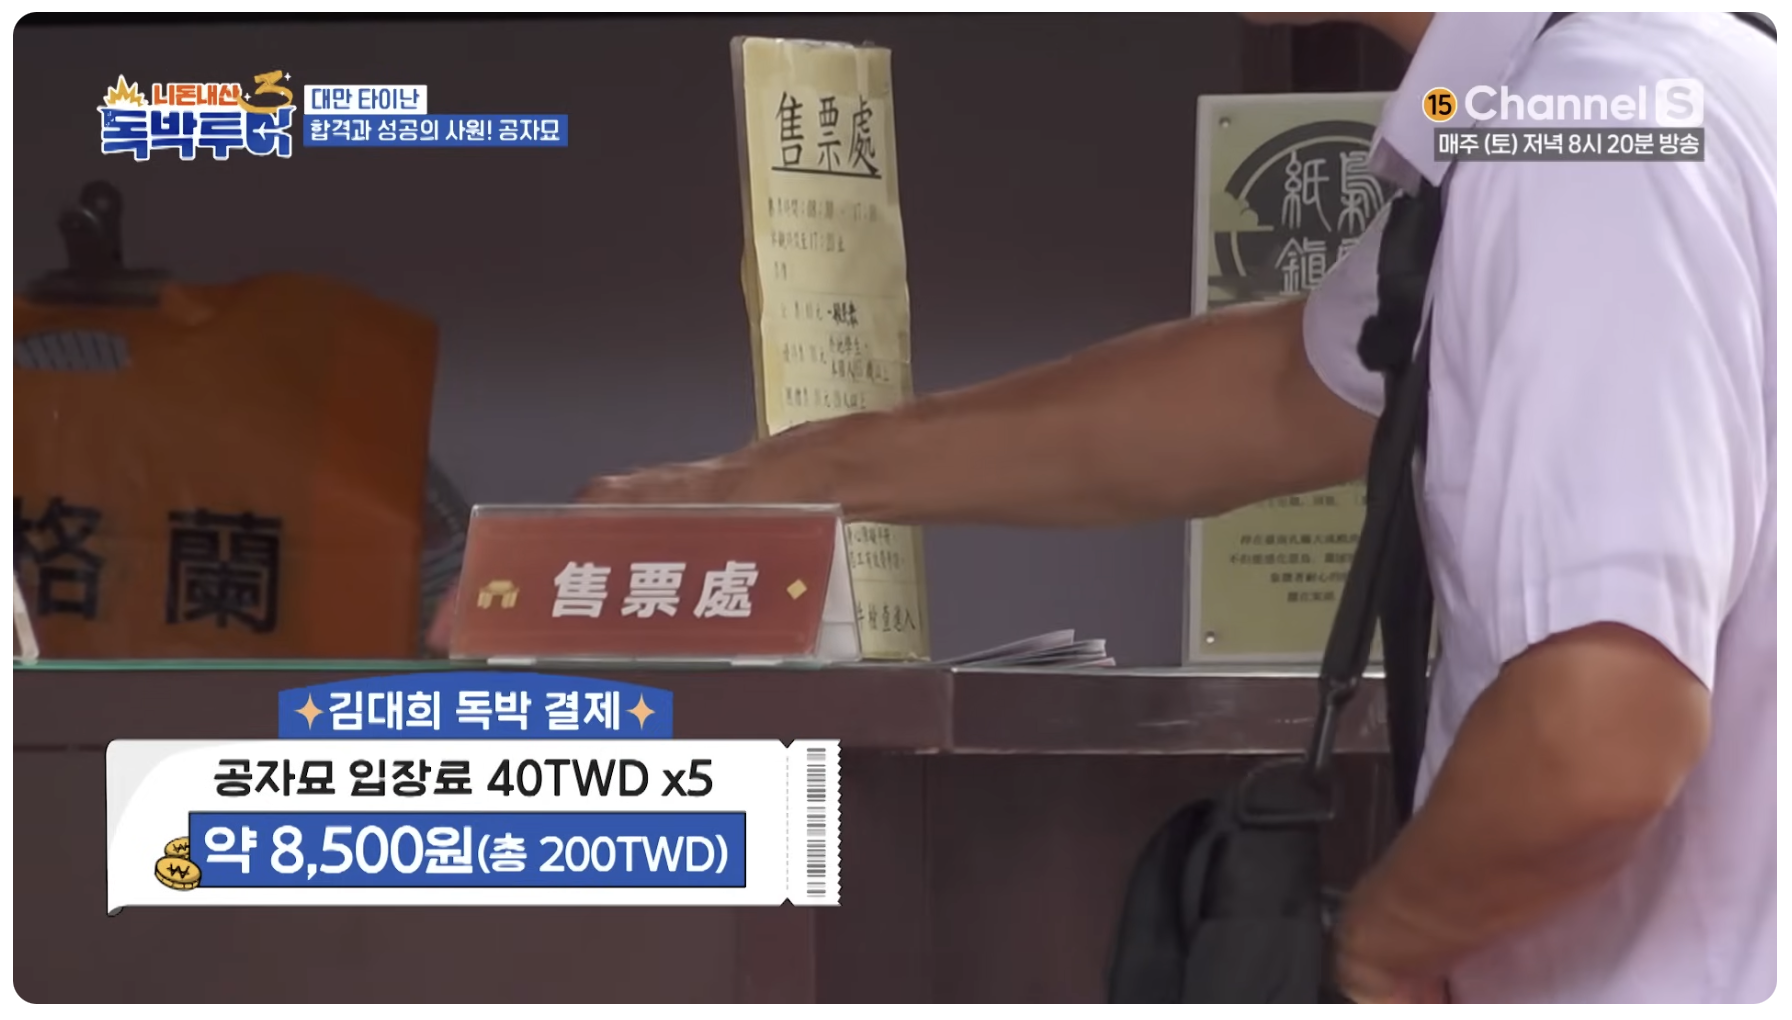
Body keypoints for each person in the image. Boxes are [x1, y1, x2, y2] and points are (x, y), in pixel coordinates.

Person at [434, 12, 1777, 1004]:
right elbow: (1283, 385)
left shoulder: (1594, 129)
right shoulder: (1626, 94)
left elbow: (1600, 734)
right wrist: (778, 479)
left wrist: (1367, 954)